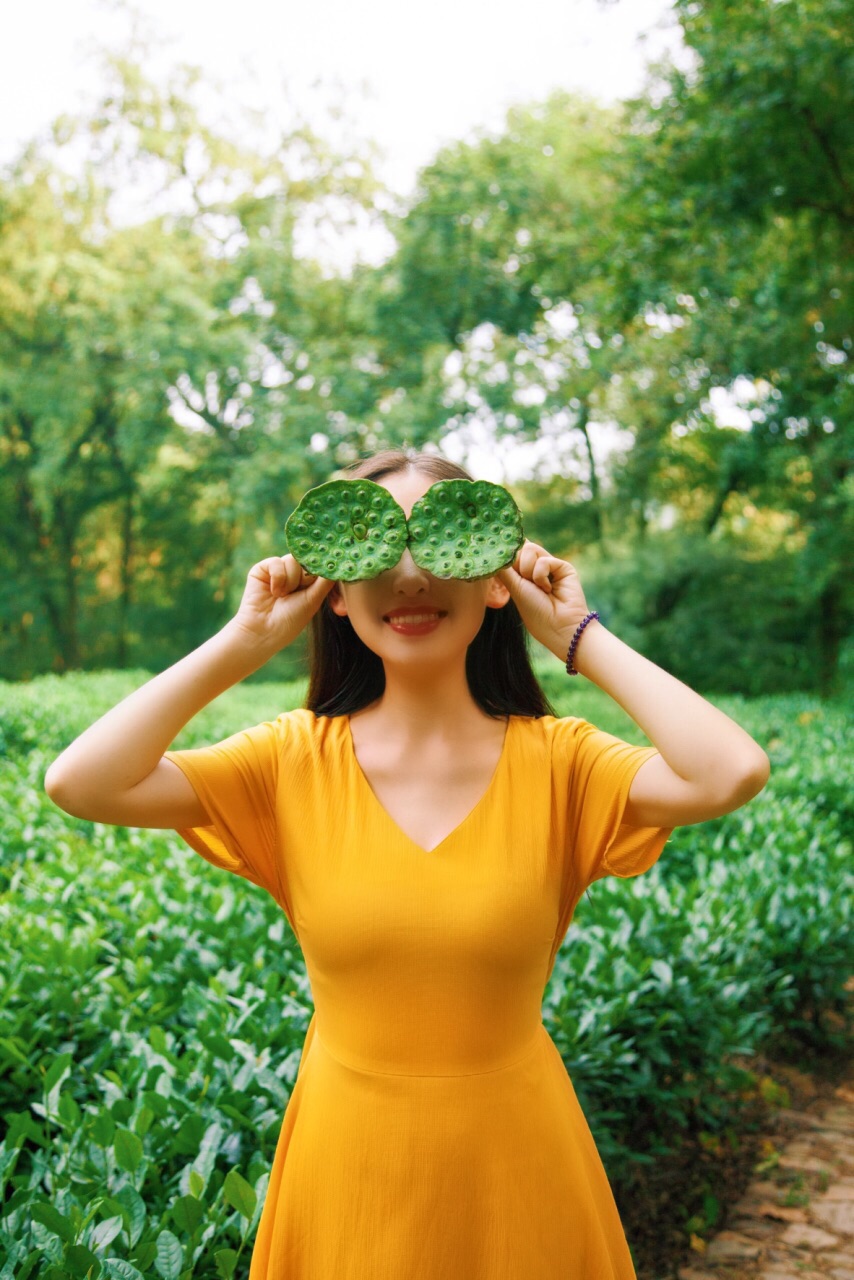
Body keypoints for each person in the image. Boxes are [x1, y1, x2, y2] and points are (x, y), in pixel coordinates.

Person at [45, 447, 771, 1279]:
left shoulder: (563, 763)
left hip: (522, 1169)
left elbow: (730, 770)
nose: (411, 575)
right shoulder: (288, 762)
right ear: (337, 589)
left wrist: (576, 632)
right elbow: (80, 781)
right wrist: (245, 642)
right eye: (376, 549)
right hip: (347, 1168)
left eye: (439, 540)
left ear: (495, 576)